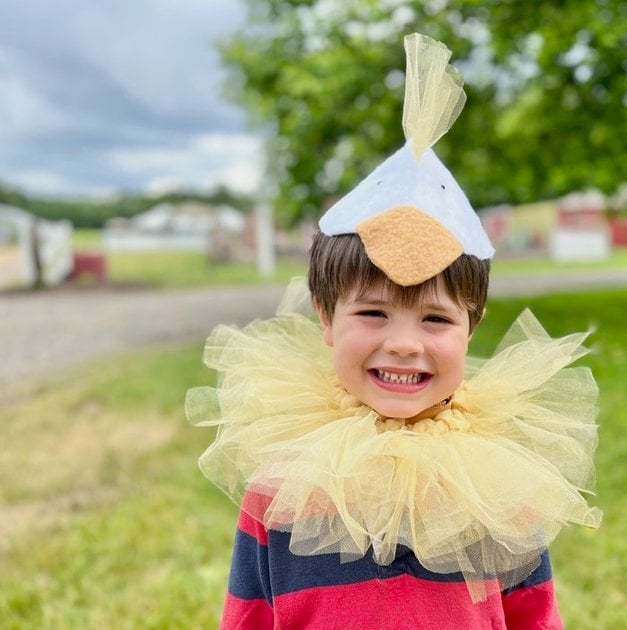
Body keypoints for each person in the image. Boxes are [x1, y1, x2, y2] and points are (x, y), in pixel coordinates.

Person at [187, 33, 601, 629]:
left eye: (435, 318)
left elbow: (534, 619)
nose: (405, 342)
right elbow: (247, 616)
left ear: (471, 328)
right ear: (326, 318)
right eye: (373, 313)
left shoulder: (500, 485)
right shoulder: (283, 483)